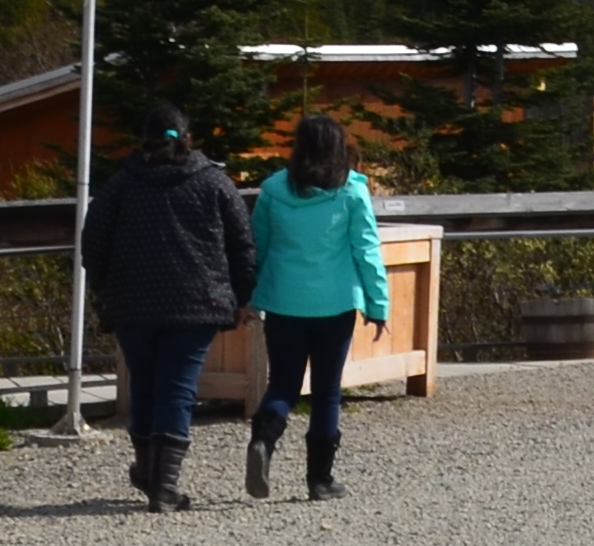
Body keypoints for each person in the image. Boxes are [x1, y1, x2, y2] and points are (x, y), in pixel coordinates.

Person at [78, 104, 252, 514]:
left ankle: (148, 471)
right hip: (197, 305)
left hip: (132, 305)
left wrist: (108, 286)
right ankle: (164, 486)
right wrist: (242, 297)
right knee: (178, 389)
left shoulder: (121, 186)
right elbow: (242, 245)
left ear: (144, 139)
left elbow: (92, 246)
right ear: (188, 138)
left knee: (145, 386)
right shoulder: (214, 183)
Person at [243, 109, 388, 501]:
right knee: (326, 392)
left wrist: (249, 297)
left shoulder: (273, 191)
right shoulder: (352, 190)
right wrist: (378, 304)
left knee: (284, 384)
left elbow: (257, 248)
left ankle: (263, 440)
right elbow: (367, 250)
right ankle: (319, 480)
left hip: (284, 302)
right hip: (335, 304)